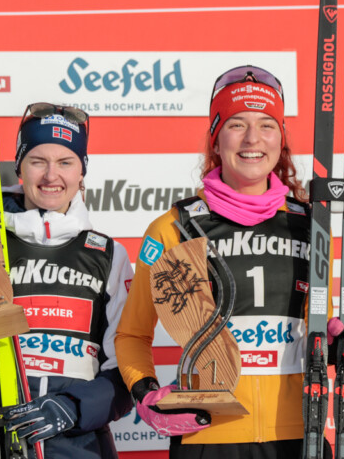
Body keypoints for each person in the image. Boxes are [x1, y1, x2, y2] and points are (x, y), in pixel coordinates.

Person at [115, 65, 332, 458]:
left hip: (301, 434)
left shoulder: (312, 226)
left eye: (267, 125)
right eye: (236, 124)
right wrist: (145, 393)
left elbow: (327, 326)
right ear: (216, 141)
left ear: (280, 139)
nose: (252, 139)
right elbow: (132, 335)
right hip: (208, 436)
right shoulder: (174, 228)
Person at [0, 103, 134, 458]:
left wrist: (75, 407)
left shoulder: (109, 255)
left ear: (82, 172)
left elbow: (126, 372)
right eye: (38, 161)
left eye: (65, 162)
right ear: (20, 167)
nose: (51, 176)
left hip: (78, 448)